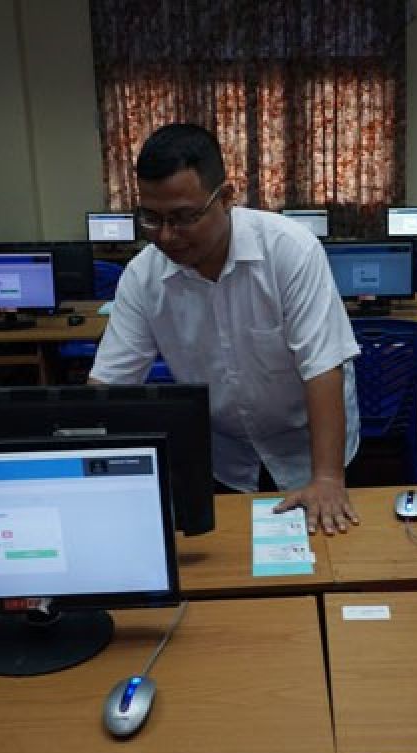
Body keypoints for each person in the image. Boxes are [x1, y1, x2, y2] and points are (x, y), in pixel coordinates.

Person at [89, 123, 362, 534]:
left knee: (328, 554)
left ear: (227, 198)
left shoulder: (290, 250)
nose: (166, 236)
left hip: (312, 446)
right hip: (226, 454)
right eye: (151, 218)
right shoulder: (142, 277)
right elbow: (108, 388)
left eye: (183, 217)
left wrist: (327, 479)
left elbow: (322, 366)